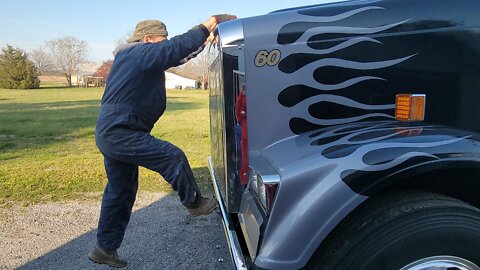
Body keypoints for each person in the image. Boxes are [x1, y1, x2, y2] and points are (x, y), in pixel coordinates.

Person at [88, 14, 236, 268]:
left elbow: (177, 55)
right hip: (120, 132)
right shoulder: (138, 53)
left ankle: (105, 249)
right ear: (147, 39)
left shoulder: (136, 57)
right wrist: (208, 24)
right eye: (162, 39)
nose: (165, 43)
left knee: (120, 191)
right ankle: (194, 203)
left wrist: (204, 40)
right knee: (172, 156)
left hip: (114, 131)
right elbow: (173, 49)